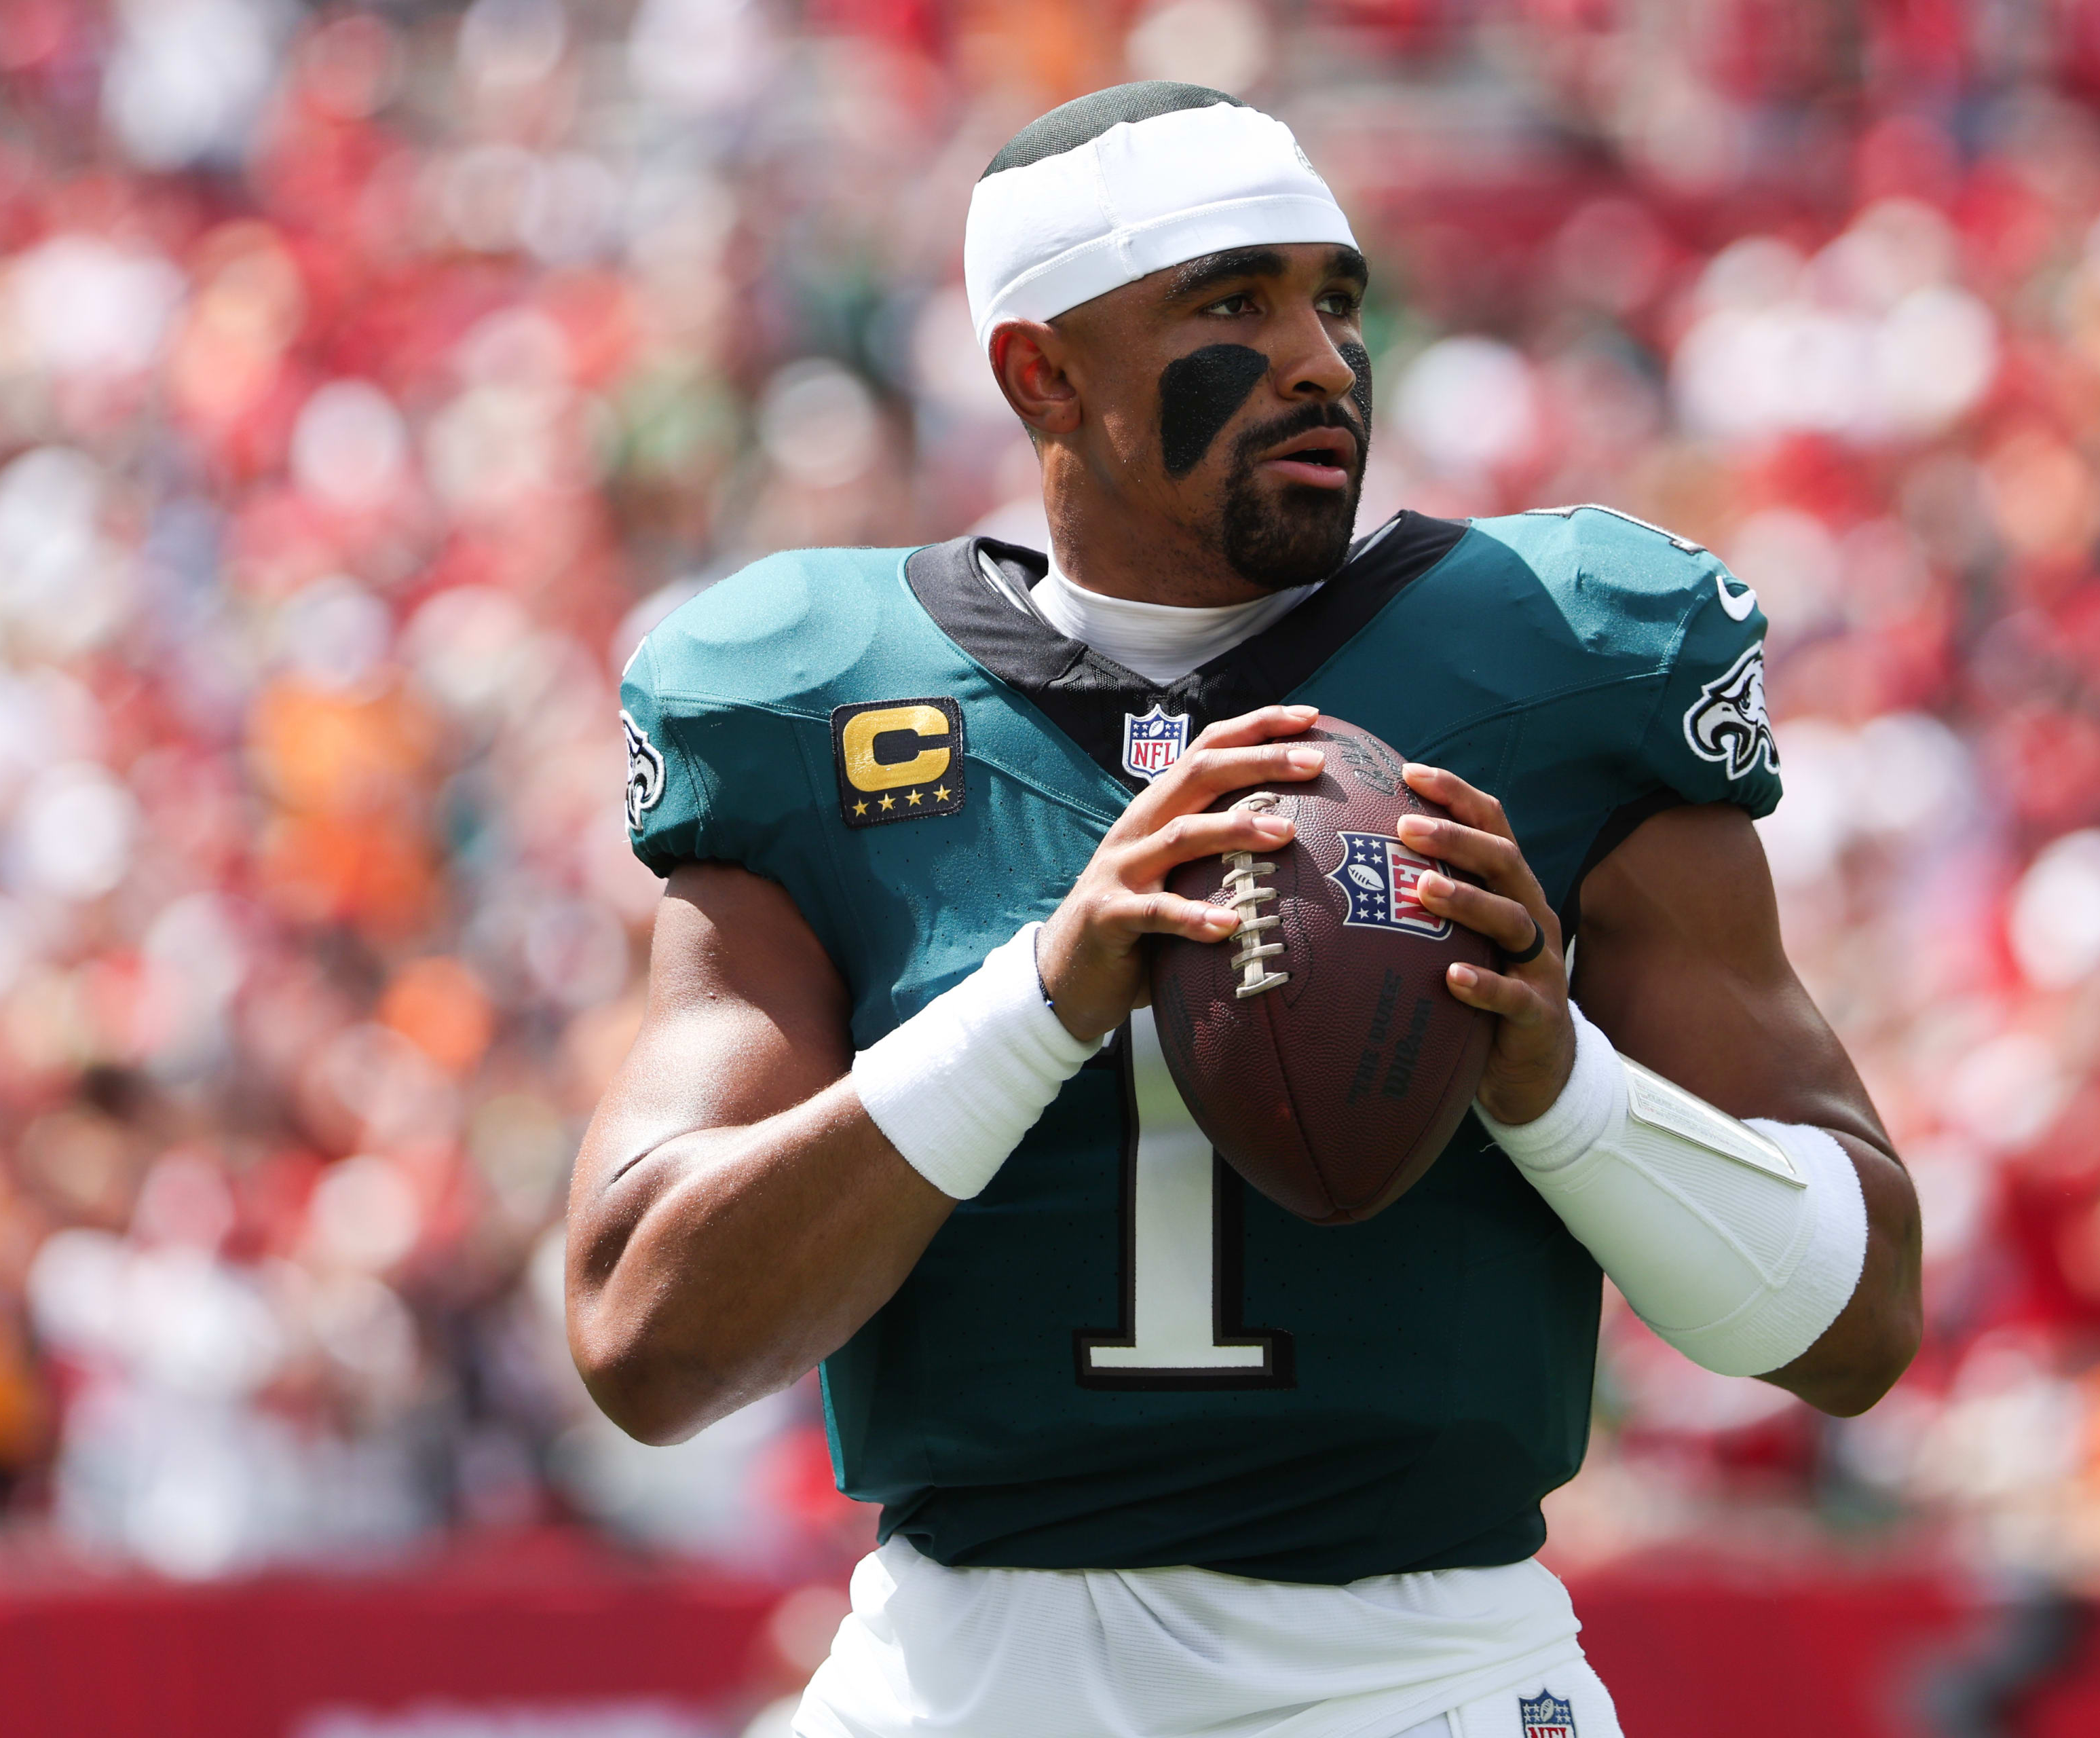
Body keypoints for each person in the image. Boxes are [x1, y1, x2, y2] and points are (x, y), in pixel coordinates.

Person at [567, 81, 1921, 1738]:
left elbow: (1857, 1322)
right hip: (959, 1685)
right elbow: (646, 1336)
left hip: (1428, 1677)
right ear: (1038, 369)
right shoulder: (809, 697)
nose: (1321, 356)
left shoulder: (1558, 657)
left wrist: (1556, 1080)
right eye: (1235, 300)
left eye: (1337, 297)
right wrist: (1042, 996)